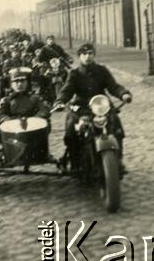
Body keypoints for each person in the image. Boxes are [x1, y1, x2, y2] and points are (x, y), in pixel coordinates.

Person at [53, 43, 132, 171]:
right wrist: (60, 101)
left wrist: (123, 94)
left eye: (90, 53)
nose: (87, 57)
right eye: (84, 54)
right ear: (79, 56)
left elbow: (113, 86)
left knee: (115, 123)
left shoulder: (102, 70)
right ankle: (75, 161)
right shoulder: (74, 73)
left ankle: (118, 159)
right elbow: (67, 90)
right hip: (81, 106)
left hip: (101, 105)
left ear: (94, 55)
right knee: (71, 126)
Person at [0, 67, 50, 141]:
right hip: (12, 130)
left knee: (46, 122)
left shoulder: (35, 98)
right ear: (12, 84)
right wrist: (8, 120)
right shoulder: (6, 100)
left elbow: (44, 109)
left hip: (33, 129)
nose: (19, 84)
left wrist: (36, 118)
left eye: (22, 81)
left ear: (27, 83)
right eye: (16, 81)